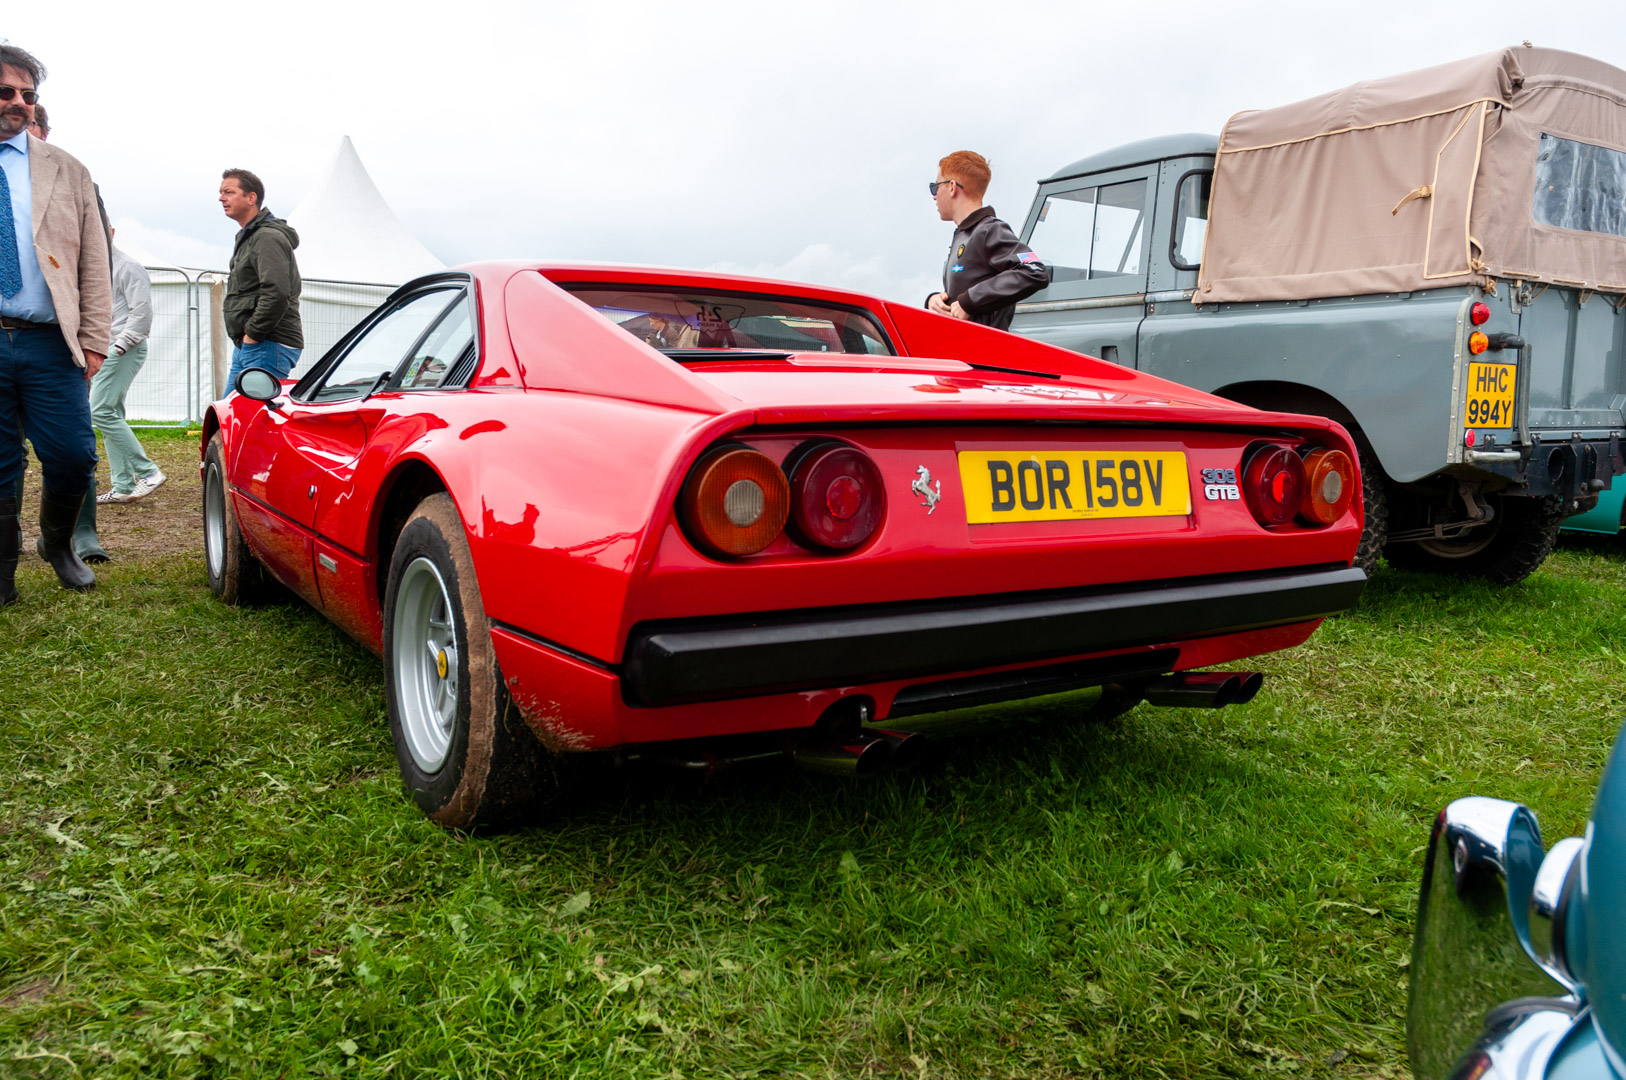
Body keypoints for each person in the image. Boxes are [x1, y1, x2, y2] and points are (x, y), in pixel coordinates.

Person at [0, 44, 110, 604]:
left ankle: (58, 544)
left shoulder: (66, 169)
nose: (19, 102)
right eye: (6, 92)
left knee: (72, 455)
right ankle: (2, 573)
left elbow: (94, 259)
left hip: (49, 340)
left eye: (28, 94)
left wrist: (95, 339)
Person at [925, 150, 1049, 332]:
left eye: (935, 187)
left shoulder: (990, 230)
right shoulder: (965, 235)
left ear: (952, 187)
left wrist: (969, 300)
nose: (934, 195)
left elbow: (1034, 270)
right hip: (962, 346)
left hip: (984, 348)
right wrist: (936, 300)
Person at [93, 230, 162, 506]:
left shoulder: (128, 266)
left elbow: (142, 312)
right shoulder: (95, 267)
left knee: (99, 410)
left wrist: (119, 347)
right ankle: (123, 485)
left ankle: (149, 473)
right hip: (106, 348)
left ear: (110, 232)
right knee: (110, 412)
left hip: (122, 348)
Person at [219, 168, 302, 390]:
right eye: (221, 193)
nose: (221, 198)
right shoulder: (250, 236)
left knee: (250, 411)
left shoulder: (266, 237)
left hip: (266, 344)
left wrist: (252, 334)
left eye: (229, 192)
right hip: (252, 345)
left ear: (251, 198)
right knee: (231, 410)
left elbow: (277, 292)